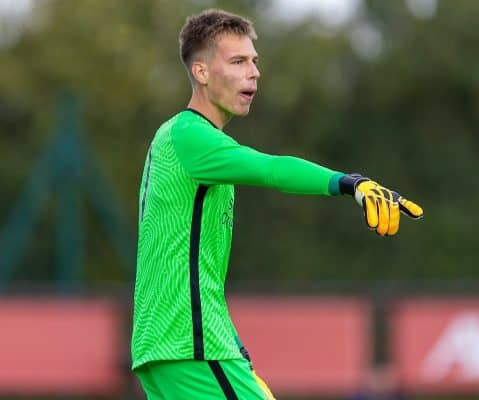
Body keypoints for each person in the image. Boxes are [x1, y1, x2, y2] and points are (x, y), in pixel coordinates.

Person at [131, 8, 423, 400]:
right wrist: (348, 182)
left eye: (254, 61)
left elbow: (193, 272)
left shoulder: (181, 142)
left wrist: (232, 342)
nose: (253, 72)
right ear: (201, 73)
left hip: (167, 346)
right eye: (237, 61)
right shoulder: (190, 135)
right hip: (190, 345)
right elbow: (272, 169)